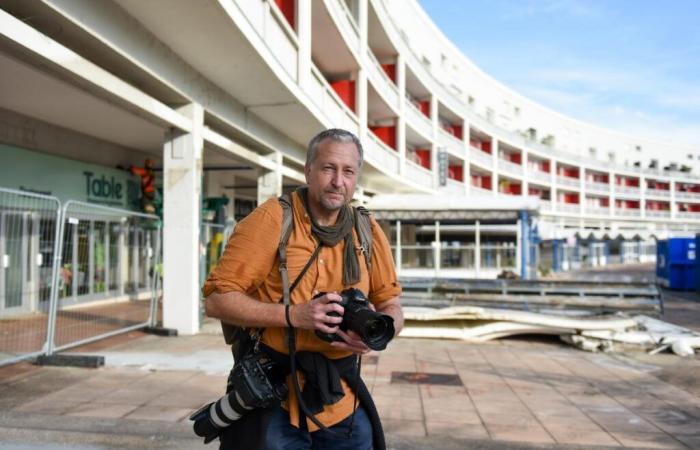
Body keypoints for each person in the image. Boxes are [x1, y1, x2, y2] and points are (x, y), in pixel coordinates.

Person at [202, 128, 403, 450]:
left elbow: (391, 303)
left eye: (348, 171)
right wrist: (294, 315)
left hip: (341, 397)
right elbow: (215, 300)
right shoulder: (271, 219)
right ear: (308, 170)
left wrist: (378, 333)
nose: (339, 181)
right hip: (275, 396)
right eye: (328, 168)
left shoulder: (367, 229)